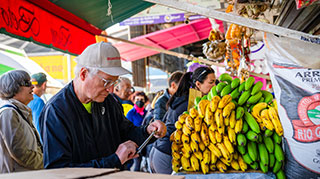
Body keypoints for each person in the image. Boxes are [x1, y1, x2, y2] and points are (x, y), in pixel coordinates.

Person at [38, 42, 166, 169]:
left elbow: (127, 132)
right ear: (83, 74)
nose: (111, 89)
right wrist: (115, 160)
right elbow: (58, 170)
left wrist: (148, 131)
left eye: (115, 82)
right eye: (106, 82)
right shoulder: (56, 111)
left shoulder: (108, 101)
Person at [149, 66, 216, 174]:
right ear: (198, 84)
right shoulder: (189, 103)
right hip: (166, 154)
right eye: (211, 82)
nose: (214, 86)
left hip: (159, 151)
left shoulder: (184, 97)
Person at [0, 70, 43, 173]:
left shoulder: (19, 111)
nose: (32, 86)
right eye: (27, 83)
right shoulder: (9, 113)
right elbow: (20, 153)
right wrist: (46, 161)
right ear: (13, 88)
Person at [126, 91, 149, 171]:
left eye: (142, 100)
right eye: (137, 99)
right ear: (134, 101)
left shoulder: (146, 113)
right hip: (136, 142)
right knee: (137, 164)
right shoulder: (131, 114)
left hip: (146, 141)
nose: (140, 101)